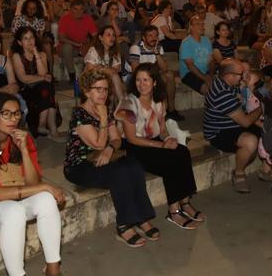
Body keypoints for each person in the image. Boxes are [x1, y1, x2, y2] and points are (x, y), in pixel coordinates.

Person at [0, 94, 66, 276]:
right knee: (15, 211)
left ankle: (53, 269)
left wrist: (24, 151)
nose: (12, 119)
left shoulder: (22, 138)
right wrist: (46, 185)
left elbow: (32, 184)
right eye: (5, 114)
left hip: (12, 201)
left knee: (45, 199)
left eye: (16, 114)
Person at [65, 69, 157, 248]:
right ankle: (124, 225)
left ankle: (142, 217)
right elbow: (98, 144)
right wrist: (103, 120)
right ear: (86, 91)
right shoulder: (79, 114)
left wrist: (109, 149)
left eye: (106, 90)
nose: (103, 93)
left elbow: (115, 139)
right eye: (98, 89)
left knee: (134, 165)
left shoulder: (104, 109)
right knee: (120, 173)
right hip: (80, 166)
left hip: (102, 158)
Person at [117, 64, 203, 230]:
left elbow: (162, 130)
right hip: (135, 147)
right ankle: (174, 210)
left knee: (182, 151)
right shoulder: (128, 103)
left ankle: (185, 201)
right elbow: (131, 138)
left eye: (146, 80)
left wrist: (169, 139)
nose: (141, 84)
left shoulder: (159, 101)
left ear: (154, 82)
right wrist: (161, 145)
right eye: (138, 80)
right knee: (168, 161)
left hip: (154, 142)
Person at [203, 58, 263, 193]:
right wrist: (262, 108)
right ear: (229, 75)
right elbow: (246, 122)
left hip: (232, 123)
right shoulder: (222, 93)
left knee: (267, 130)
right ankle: (239, 173)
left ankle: (267, 169)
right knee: (251, 141)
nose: (243, 77)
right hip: (219, 131)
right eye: (240, 74)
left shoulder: (225, 81)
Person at [125, 25, 183, 121]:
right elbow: (136, 70)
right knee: (147, 79)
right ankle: (149, 113)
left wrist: (156, 53)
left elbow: (164, 68)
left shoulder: (158, 47)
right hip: (133, 77)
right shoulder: (136, 47)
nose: (154, 38)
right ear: (144, 38)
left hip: (150, 75)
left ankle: (171, 110)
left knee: (169, 74)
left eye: (156, 36)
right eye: (150, 36)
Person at [11, 27, 59, 139]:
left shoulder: (41, 54)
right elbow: (23, 78)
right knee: (47, 85)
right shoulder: (17, 56)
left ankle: (43, 124)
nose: (29, 41)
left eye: (31, 37)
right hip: (26, 91)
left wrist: (36, 53)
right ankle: (51, 126)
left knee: (46, 86)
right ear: (19, 42)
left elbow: (43, 72)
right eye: (25, 38)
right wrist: (42, 78)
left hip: (42, 90)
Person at [58, 0, 98, 82]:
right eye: (75, 9)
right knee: (67, 47)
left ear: (84, 10)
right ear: (71, 9)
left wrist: (89, 45)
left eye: (81, 9)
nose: (78, 12)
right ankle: (72, 75)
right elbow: (62, 38)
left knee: (94, 46)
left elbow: (95, 36)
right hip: (69, 46)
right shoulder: (65, 19)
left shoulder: (87, 18)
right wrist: (77, 44)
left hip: (82, 46)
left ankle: (89, 76)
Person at [84, 26, 124, 105]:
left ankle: (118, 107)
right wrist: (106, 70)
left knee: (114, 79)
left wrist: (101, 68)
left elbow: (116, 69)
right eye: (108, 35)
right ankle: (122, 103)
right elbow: (90, 70)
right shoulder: (93, 50)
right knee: (114, 78)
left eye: (113, 35)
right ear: (101, 38)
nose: (112, 37)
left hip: (108, 81)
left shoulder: (116, 52)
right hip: (93, 81)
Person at [179, 15, 214, 95]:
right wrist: (205, 78)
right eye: (198, 24)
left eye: (202, 24)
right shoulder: (186, 43)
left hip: (205, 71)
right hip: (189, 73)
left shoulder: (207, 40)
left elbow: (211, 61)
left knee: (220, 86)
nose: (201, 26)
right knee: (208, 90)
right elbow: (190, 66)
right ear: (191, 27)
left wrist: (211, 75)